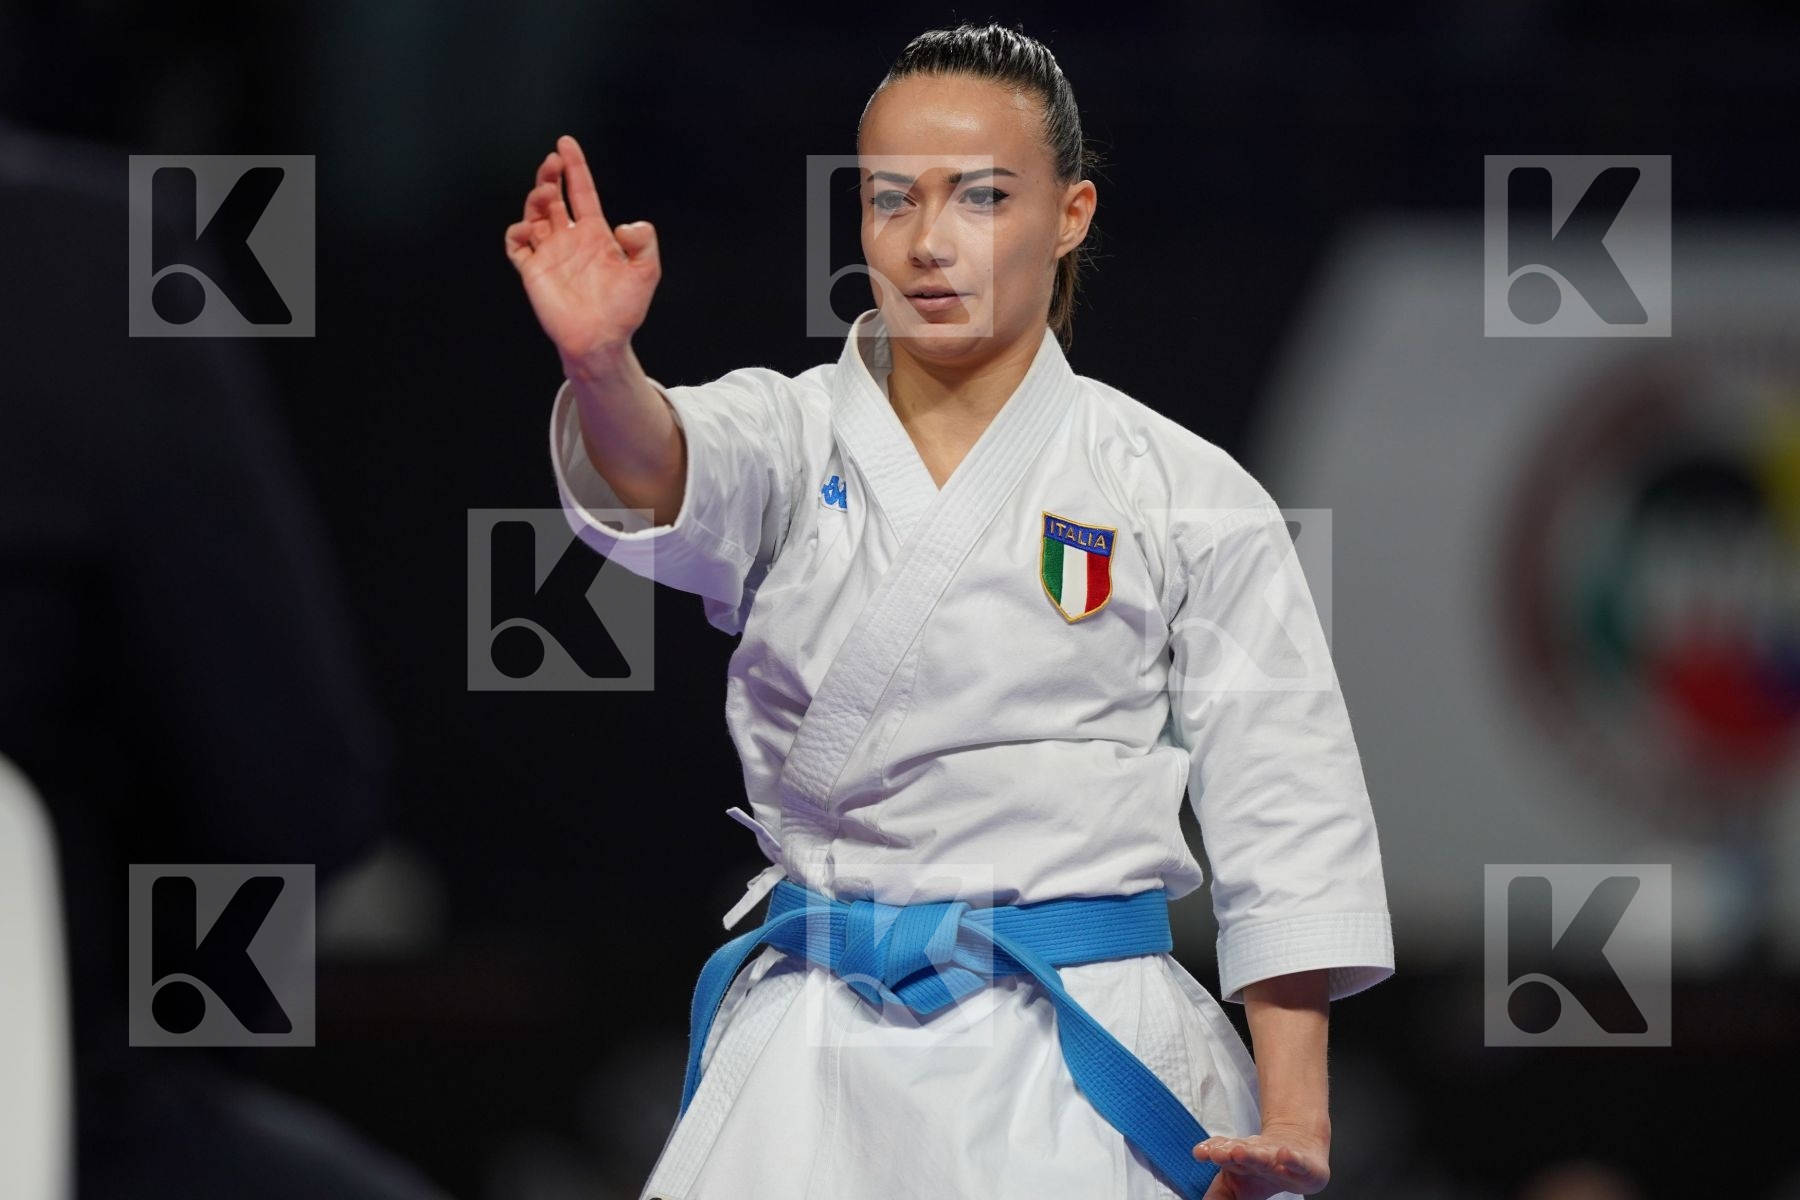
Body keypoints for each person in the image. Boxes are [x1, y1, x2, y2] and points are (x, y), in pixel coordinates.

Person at [505, 22, 1393, 1200]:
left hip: (1080, 1035)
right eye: (889, 200)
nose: (926, 243)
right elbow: (662, 467)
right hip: (817, 1044)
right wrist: (603, 370)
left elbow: (1287, 801)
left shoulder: (1180, 487)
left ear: (1070, 214)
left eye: (980, 197)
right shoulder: (791, 431)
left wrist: (1294, 1111)